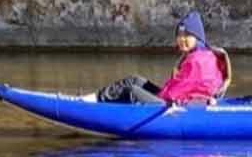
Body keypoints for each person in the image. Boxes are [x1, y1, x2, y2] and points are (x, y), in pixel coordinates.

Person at [92, 11, 225, 105]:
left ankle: (94, 105)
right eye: (179, 35)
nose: (181, 39)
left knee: (132, 90)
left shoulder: (197, 61)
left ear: (197, 37)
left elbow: (174, 94)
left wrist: (154, 96)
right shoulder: (200, 54)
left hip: (174, 104)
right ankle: (95, 98)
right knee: (135, 80)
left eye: (187, 35)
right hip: (175, 98)